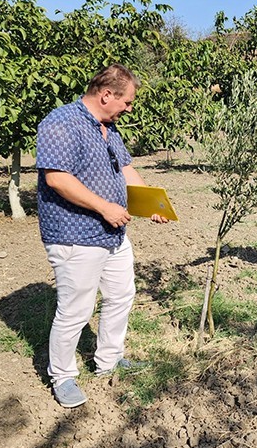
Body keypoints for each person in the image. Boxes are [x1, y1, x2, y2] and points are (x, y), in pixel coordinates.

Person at [35, 64, 168, 408]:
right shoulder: (61, 122)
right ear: (106, 94)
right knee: (76, 309)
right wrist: (104, 207)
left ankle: (108, 359)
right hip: (74, 233)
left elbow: (125, 169)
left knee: (121, 295)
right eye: (127, 102)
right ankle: (62, 375)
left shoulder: (109, 129)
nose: (129, 108)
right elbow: (57, 179)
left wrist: (150, 202)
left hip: (113, 233)